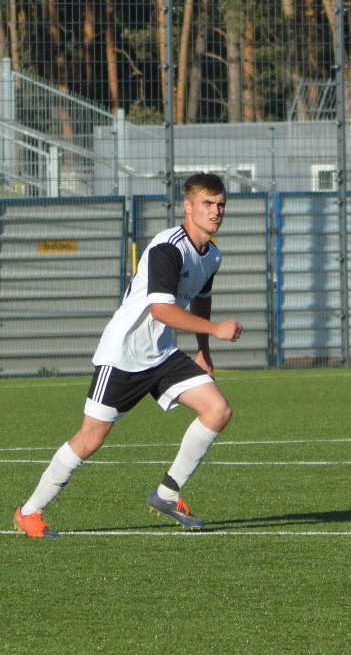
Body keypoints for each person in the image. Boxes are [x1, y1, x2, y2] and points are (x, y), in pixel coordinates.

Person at [13, 172, 244, 537]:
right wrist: (215, 329)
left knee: (218, 410)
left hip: (162, 353)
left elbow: (201, 297)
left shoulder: (212, 255)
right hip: (123, 355)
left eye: (220, 205)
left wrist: (204, 352)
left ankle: (167, 493)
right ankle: (29, 511)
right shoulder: (168, 248)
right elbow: (162, 312)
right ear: (188, 207)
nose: (216, 211)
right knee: (90, 439)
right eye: (207, 203)